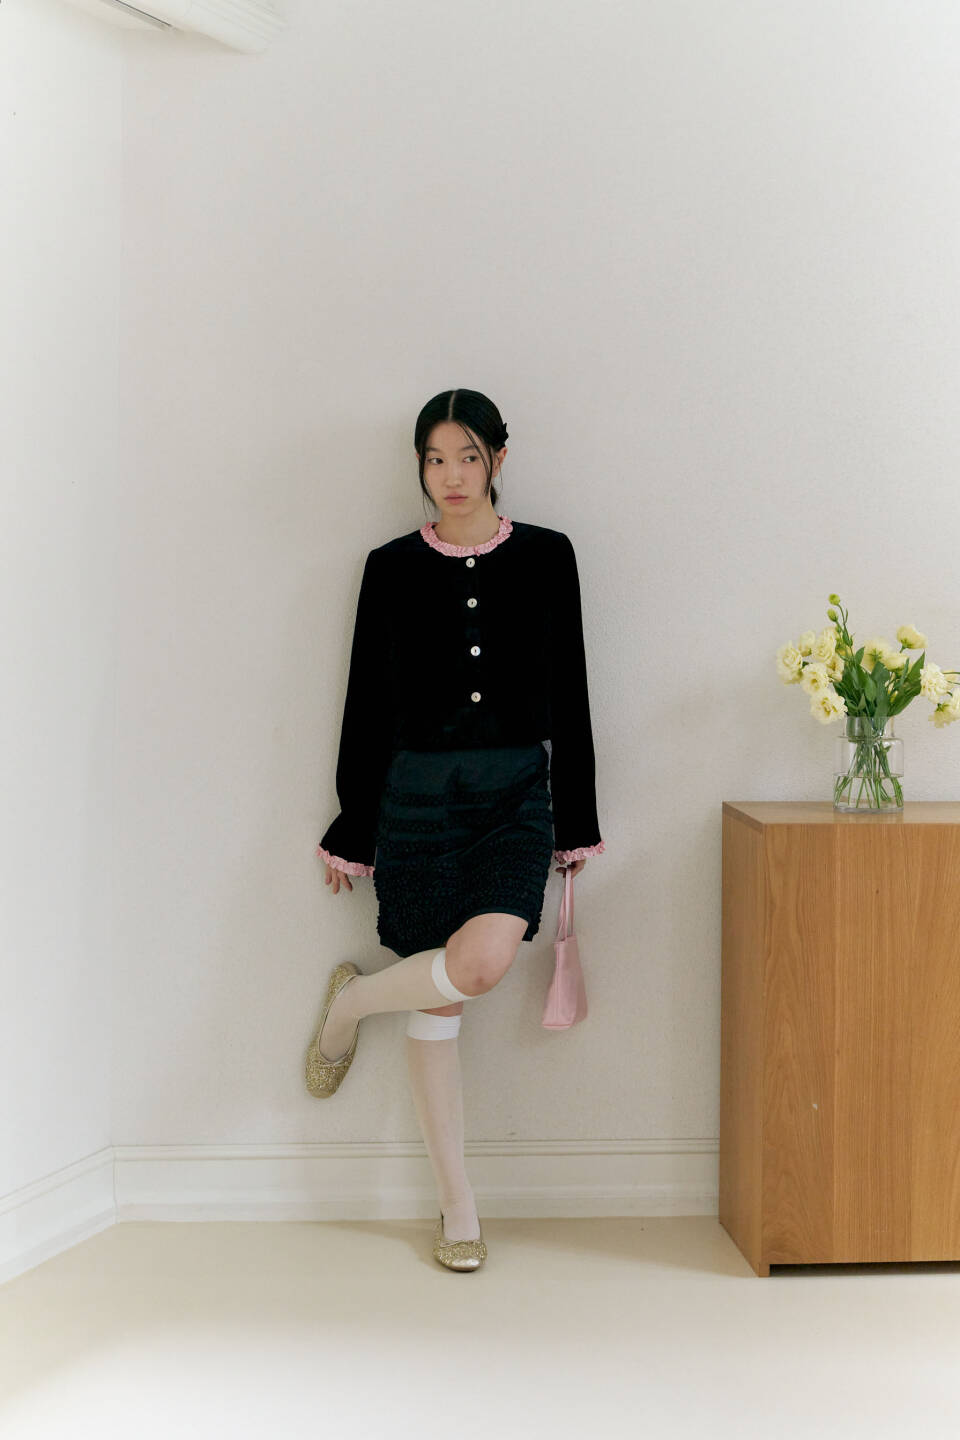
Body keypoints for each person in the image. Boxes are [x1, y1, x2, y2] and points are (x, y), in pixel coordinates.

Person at [305, 388, 605, 1271]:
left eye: (468, 457)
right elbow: (366, 703)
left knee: (478, 965)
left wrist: (575, 819)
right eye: (435, 460)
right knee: (439, 1004)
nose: (452, 476)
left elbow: (572, 692)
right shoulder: (390, 567)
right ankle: (458, 1209)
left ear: (498, 459)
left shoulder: (548, 556)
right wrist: (354, 825)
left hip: (514, 800)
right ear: (420, 467)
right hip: (416, 802)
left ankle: (352, 1003)